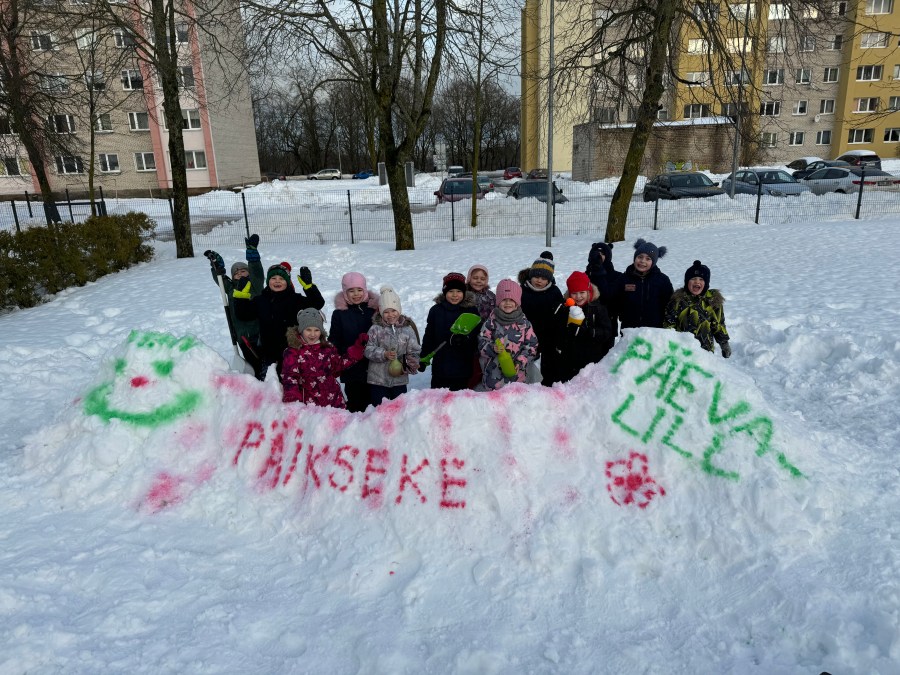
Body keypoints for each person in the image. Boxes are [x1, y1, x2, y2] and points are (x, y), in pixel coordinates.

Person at [247, 261, 325, 378]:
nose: (277, 281)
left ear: (287, 282)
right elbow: (243, 314)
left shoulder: (295, 299)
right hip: (268, 353)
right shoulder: (260, 300)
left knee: (291, 383)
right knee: (271, 384)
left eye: (282, 279)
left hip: (292, 352)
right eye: (273, 278)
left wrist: (309, 287)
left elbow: (317, 303)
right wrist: (240, 296)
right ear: (268, 281)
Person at [203, 235, 264, 375]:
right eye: (236, 273)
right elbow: (220, 279)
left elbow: (257, 272)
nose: (240, 274)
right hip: (241, 335)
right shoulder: (231, 289)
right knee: (251, 361)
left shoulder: (255, 285)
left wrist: (253, 254)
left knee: (262, 360)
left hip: (257, 333)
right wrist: (216, 267)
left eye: (243, 270)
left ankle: (266, 378)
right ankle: (255, 379)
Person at [282, 309, 368, 408]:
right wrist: (293, 397)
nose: (313, 334)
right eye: (308, 330)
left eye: (317, 330)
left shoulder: (327, 348)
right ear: (301, 330)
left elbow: (338, 365)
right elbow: (290, 376)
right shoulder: (293, 351)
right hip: (310, 402)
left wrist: (356, 350)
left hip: (333, 399)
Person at [420, 272, 481, 391]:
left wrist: (466, 339)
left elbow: (477, 334)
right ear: (444, 292)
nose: (455, 295)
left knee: (459, 400)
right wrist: (424, 356)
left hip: (463, 365)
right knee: (439, 398)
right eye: (451, 291)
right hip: (441, 365)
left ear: (464, 293)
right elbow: (429, 336)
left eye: (458, 291)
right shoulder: (436, 311)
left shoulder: (471, 311)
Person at [330, 272, 380, 412]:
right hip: (352, 368)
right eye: (351, 291)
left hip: (374, 366)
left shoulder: (374, 310)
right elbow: (335, 338)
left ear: (365, 290)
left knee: (375, 406)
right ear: (345, 292)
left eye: (359, 290)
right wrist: (337, 357)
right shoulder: (339, 314)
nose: (356, 294)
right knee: (356, 404)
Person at [477, 279, 538, 390]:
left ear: (517, 302)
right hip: (494, 377)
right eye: (504, 300)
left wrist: (521, 360)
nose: (508, 303)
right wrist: (492, 348)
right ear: (498, 301)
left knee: (515, 400)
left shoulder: (524, 323)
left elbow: (532, 346)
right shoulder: (491, 322)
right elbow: (481, 342)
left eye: (511, 300)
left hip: (518, 375)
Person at [365, 286, 422, 405]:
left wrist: (408, 364)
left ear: (399, 310)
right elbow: (368, 349)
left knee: (399, 408)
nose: (390, 315)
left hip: (399, 380)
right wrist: (383, 354)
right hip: (378, 380)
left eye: (393, 310)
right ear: (381, 312)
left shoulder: (407, 329)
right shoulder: (375, 329)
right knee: (380, 409)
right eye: (386, 311)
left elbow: (414, 351)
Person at [663, 260, 731, 357]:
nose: (697, 282)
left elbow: (718, 324)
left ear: (706, 283)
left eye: (701, 279)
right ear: (687, 282)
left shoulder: (712, 301)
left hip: (706, 351)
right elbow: (669, 325)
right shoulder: (678, 301)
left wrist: (724, 343)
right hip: (681, 351)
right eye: (693, 278)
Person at [518, 252, 566, 386]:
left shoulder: (554, 292)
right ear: (531, 275)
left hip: (548, 334)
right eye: (536, 276)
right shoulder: (523, 291)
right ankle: (524, 384)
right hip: (526, 334)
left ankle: (547, 385)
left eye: (544, 278)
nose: (539, 280)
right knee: (525, 362)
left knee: (549, 363)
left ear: (549, 280)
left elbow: (560, 312)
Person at [558, 271, 613, 383]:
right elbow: (558, 332)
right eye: (574, 293)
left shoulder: (598, 308)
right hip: (569, 360)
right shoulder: (565, 308)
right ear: (569, 294)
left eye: (582, 292)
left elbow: (607, 332)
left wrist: (588, 332)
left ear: (588, 291)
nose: (578, 297)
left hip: (592, 361)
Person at [615, 238, 674, 331]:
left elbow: (669, 303)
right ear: (635, 258)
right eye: (640, 257)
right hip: (629, 328)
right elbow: (616, 299)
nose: (643, 261)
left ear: (653, 262)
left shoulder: (662, 280)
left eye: (648, 259)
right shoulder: (625, 278)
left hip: (654, 329)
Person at [585, 241, 622, 349]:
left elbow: (607, 296)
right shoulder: (586, 275)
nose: (598, 256)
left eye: (602, 254)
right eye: (596, 253)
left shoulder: (617, 277)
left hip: (607, 326)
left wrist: (599, 271)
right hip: (587, 326)